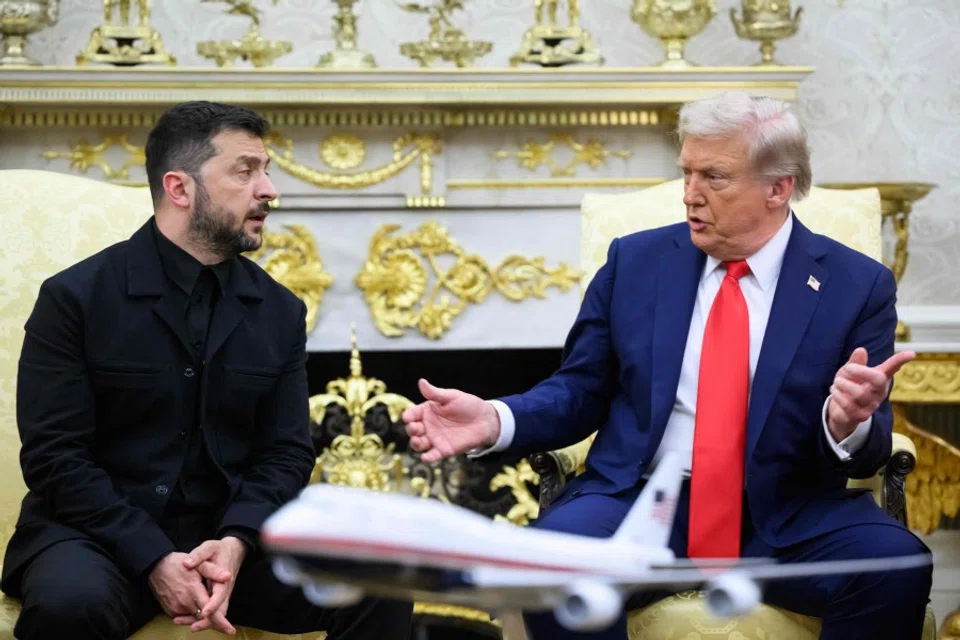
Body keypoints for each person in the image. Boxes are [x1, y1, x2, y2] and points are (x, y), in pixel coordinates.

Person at [402, 91, 933, 640]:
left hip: (786, 513)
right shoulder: (635, 262)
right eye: (686, 173)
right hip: (643, 500)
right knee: (554, 565)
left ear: (778, 187)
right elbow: (580, 389)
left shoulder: (856, 284)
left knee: (895, 566)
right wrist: (495, 418)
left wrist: (846, 423)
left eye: (714, 177)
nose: (689, 195)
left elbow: (869, 447)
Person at [3, 100, 412, 640]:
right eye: (246, 171)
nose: (268, 189)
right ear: (180, 188)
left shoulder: (281, 311)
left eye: (266, 170)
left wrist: (238, 540)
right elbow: (55, 458)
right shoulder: (74, 300)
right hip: (97, 537)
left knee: (378, 587)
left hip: (231, 543)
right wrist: (153, 557)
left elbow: (285, 453)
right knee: (69, 606)